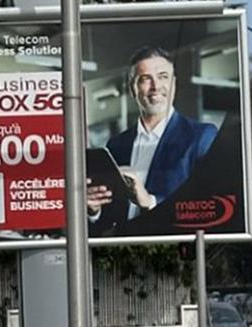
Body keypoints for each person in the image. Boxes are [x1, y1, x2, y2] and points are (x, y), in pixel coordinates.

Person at [84, 46, 219, 221]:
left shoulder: (201, 137)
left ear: (174, 84)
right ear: (133, 89)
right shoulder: (116, 146)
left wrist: (150, 202)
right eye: (145, 79)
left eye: (163, 77)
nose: (155, 87)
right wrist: (94, 210)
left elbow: (212, 204)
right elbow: (110, 215)